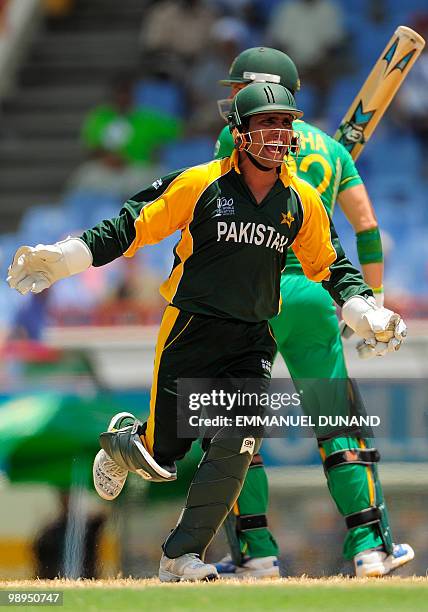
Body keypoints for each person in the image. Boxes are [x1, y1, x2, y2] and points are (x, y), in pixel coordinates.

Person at [7, 83, 408, 582]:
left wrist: (363, 309)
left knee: (239, 440)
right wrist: (67, 257)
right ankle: (123, 444)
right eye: (267, 123)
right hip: (192, 328)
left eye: (285, 123)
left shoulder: (301, 200)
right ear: (239, 134)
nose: (279, 134)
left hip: (252, 336)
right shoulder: (200, 185)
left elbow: (331, 265)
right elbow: (132, 225)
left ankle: (180, 555)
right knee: (164, 453)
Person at [213, 47, 414, 579]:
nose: (233, 99)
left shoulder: (237, 136)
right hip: (313, 294)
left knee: (234, 427)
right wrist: (370, 303)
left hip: (249, 296)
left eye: (240, 89)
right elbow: (367, 229)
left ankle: (256, 555)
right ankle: (372, 547)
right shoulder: (333, 153)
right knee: (337, 423)